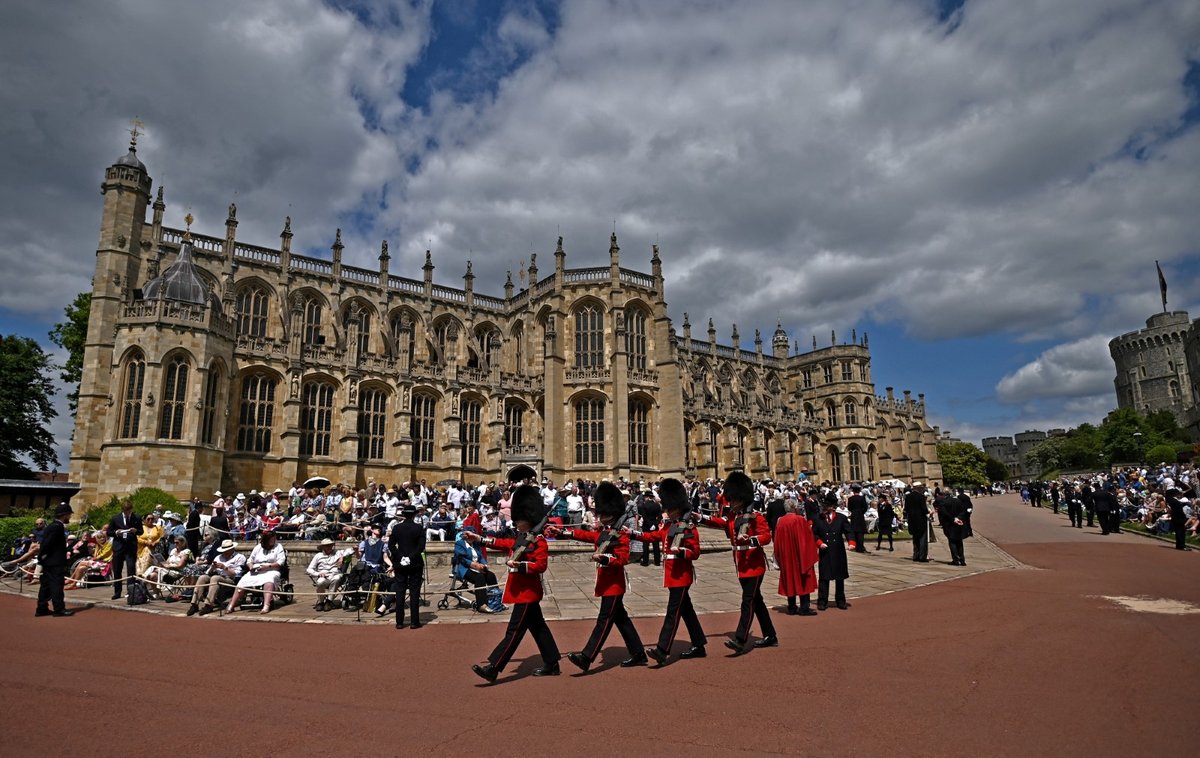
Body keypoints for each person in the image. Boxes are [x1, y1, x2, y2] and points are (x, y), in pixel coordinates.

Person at [468, 484, 561, 682]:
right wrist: (480, 539)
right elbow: (505, 544)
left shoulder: (539, 541)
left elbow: (541, 565)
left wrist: (519, 566)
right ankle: (552, 662)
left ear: (528, 519)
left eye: (519, 519)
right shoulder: (522, 537)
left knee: (514, 631)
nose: (516, 522)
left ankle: (494, 667)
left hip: (527, 592)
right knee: (538, 628)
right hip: (523, 592)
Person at [551, 482, 646, 672]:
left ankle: (587, 657)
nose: (599, 517)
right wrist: (563, 532)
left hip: (614, 584)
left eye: (602, 514)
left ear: (611, 514)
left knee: (604, 620)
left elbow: (623, 558)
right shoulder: (604, 531)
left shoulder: (621, 534)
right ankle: (638, 653)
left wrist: (604, 558)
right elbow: (586, 536)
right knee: (621, 619)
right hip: (605, 582)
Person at [696, 471, 777, 654]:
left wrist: (751, 540)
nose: (730, 502)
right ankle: (770, 635)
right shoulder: (733, 516)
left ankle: (740, 639)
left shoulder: (756, 516)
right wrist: (700, 517)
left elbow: (766, 537)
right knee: (757, 601)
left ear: (742, 499)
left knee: (747, 601)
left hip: (755, 565)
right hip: (741, 565)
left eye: (733, 499)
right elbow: (720, 522)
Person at [628, 478, 707, 664]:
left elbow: (695, 552)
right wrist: (632, 533)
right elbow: (653, 536)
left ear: (678, 508)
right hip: (672, 575)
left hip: (681, 576)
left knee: (673, 612)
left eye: (670, 508)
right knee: (687, 611)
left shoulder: (688, 528)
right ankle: (699, 644)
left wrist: (682, 553)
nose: (668, 511)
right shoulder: (668, 526)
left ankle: (663, 650)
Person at [773, 499, 819, 616]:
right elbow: (806, 539)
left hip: (786, 556)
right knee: (802, 580)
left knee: (790, 579)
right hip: (799, 557)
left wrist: (778, 556)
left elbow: (776, 540)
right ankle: (804, 607)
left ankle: (791, 606)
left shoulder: (780, 521)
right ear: (794, 507)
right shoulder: (799, 520)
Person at [388, 504, 426, 629]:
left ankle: (399, 622)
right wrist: (410, 557)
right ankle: (414, 621)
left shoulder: (397, 528)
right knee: (414, 592)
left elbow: (391, 546)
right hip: (415, 563)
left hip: (400, 563)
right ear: (414, 514)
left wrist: (401, 557)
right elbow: (420, 547)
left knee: (400, 591)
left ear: (404, 514)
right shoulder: (419, 528)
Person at [226, 532, 285, 614]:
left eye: (274, 539)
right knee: (243, 581)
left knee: (269, 580)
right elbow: (250, 560)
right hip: (257, 569)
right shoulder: (258, 547)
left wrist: (268, 566)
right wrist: (250, 566)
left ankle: (266, 605)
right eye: (272, 539)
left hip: (272, 569)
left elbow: (280, 562)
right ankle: (231, 605)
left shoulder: (278, 547)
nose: (274, 540)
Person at [811, 494, 852, 610]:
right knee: (824, 578)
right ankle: (822, 601)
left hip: (838, 551)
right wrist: (819, 543)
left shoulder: (841, 518)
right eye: (824, 506)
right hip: (825, 552)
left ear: (833, 506)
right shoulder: (818, 518)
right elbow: (813, 534)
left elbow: (848, 531)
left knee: (840, 578)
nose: (825, 508)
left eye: (827, 506)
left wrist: (851, 542)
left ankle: (840, 600)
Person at [34, 503, 75, 617]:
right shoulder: (57, 527)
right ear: (64, 515)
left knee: (46, 586)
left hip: (49, 561)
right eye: (68, 515)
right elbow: (47, 544)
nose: (69, 518)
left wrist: (42, 558)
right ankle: (58, 609)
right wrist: (43, 556)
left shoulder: (52, 526)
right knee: (57, 585)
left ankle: (41, 608)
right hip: (54, 562)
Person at [452, 525, 498, 612]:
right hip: (463, 568)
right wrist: (474, 565)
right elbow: (462, 558)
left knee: (491, 575)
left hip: (477, 567)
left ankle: (496, 601)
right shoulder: (459, 544)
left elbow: (480, 557)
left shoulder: (476, 545)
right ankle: (481, 605)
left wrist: (484, 564)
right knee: (479, 578)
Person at [106, 499, 143, 599]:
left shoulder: (136, 518)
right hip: (119, 546)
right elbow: (109, 532)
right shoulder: (115, 518)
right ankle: (117, 592)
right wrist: (116, 532)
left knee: (131, 568)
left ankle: (130, 591)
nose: (127, 513)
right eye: (125, 511)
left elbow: (141, 531)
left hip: (130, 547)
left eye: (129, 511)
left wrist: (136, 531)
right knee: (117, 569)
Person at [306, 538, 352, 611]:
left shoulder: (338, 553)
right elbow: (309, 569)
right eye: (327, 545)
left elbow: (350, 550)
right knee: (320, 582)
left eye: (330, 545)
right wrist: (318, 573)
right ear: (323, 547)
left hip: (335, 574)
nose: (329, 547)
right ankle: (321, 602)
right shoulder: (318, 555)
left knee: (336, 578)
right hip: (323, 575)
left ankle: (329, 601)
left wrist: (342, 557)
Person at [937, 490, 968, 566]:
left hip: (949, 524)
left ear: (944, 494)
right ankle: (962, 559)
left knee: (952, 541)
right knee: (959, 542)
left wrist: (953, 519)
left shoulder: (943, 502)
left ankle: (956, 560)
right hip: (958, 523)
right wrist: (958, 518)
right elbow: (963, 511)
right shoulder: (958, 501)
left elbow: (944, 513)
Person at [637, 488, 663, 566]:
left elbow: (644, 517)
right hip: (654, 526)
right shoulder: (657, 505)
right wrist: (655, 524)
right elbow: (659, 517)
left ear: (648, 497)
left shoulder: (643, 505)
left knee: (645, 544)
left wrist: (650, 524)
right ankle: (657, 561)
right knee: (656, 544)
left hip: (646, 526)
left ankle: (645, 562)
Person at [904, 484, 929, 562]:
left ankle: (916, 555)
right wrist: (928, 512)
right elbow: (924, 509)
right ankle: (922, 556)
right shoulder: (921, 497)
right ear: (918, 488)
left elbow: (906, 509)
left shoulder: (908, 497)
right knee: (922, 539)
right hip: (921, 520)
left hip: (912, 520)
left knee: (915, 538)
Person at [846, 484, 869, 553]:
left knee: (854, 531)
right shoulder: (862, 498)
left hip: (853, 515)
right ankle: (861, 547)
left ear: (853, 491)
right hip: (860, 515)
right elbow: (865, 507)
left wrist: (854, 511)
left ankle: (856, 546)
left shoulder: (850, 499)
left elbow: (849, 508)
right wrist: (861, 512)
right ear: (859, 491)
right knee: (860, 532)